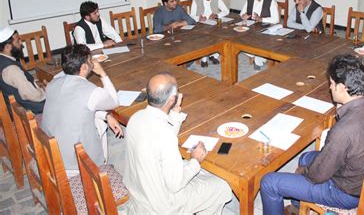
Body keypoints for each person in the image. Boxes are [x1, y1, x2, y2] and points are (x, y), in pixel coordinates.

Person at [260, 54, 364, 214]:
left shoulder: (344, 130)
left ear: (343, 87)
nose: (330, 88)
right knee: (305, 157)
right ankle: (297, 208)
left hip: (346, 193)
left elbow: (317, 176)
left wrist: (303, 171)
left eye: (331, 83)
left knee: (269, 182)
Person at [122, 73, 232, 214]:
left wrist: (174, 111)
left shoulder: (136, 118)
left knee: (203, 172)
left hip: (139, 194)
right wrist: (195, 160)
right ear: (172, 99)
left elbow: (161, 139)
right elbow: (175, 185)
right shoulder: (165, 134)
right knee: (221, 186)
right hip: (162, 206)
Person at [41, 44, 123, 177]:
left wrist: (106, 115)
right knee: (99, 125)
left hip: (50, 150)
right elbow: (114, 102)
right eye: (90, 60)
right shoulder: (91, 91)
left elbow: (77, 106)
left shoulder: (53, 83)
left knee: (98, 118)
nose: (93, 63)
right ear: (84, 67)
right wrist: (103, 74)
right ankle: (99, 167)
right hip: (74, 162)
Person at [0, 27, 45, 114]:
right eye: (17, 41)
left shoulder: (4, 59)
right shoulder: (11, 69)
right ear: (8, 47)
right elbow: (31, 95)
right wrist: (44, 91)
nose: (21, 43)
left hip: (14, 105)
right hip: (27, 110)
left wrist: (35, 83)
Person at [240, 0, 279, 70]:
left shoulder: (271, 1)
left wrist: (260, 19)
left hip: (266, 29)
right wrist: (244, 16)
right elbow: (242, 14)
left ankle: (259, 59)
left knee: (259, 41)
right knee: (239, 41)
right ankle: (259, 57)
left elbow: (276, 19)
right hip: (251, 29)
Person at [190, 0, 229, 67]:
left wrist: (217, 15)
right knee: (204, 37)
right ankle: (204, 59)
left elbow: (226, 11)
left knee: (223, 35)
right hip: (201, 24)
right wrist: (199, 18)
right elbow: (192, 15)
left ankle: (214, 55)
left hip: (213, 23)